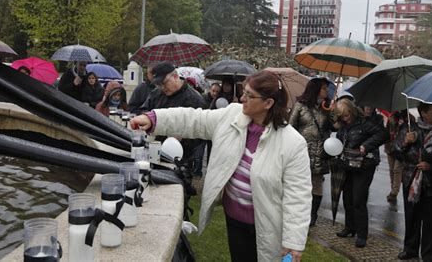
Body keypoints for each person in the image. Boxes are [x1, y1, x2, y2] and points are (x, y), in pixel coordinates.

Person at [130, 70, 312, 261]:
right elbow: (194, 119)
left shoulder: (292, 143)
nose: (242, 98)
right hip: (234, 219)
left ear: (268, 103)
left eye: (249, 95)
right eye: (244, 92)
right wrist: (153, 119)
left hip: (265, 225)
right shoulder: (232, 115)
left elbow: (298, 197)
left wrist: (294, 242)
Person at [333, 99, 388, 248]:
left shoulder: (364, 122)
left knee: (358, 199)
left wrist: (366, 146)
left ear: (352, 110)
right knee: (347, 197)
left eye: (347, 114)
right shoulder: (342, 126)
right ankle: (350, 227)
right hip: (348, 164)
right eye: (343, 116)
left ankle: (362, 235)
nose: (346, 118)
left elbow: (383, 134)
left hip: (364, 165)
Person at [140, 61, 207, 172]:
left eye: (164, 83)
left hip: (182, 158)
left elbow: (202, 133)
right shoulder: (156, 94)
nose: (162, 87)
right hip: (154, 152)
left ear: (175, 76)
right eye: (158, 84)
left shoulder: (195, 100)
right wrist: (145, 119)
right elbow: (144, 109)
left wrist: (183, 138)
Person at [395, 103, 432, 261]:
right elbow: (397, 152)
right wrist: (406, 142)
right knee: (412, 217)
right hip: (411, 180)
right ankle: (410, 249)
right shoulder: (410, 128)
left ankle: (428, 256)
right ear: (423, 113)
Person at [289, 77, 333, 227]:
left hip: (320, 153)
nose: (327, 91)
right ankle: (298, 212)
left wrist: (334, 113)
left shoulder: (327, 108)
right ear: (316, 90)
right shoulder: (300, 106)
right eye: (324, 88)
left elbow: (335, 127)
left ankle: (312, 214)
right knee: (299, 184)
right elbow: (290, 127)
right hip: (302, 152)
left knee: (316, 184)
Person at [384, 110, 412, 203]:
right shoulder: (392, 117)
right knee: (392, 170)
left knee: (397, 169)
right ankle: (393, 190)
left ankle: (394, 192)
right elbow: (388, 131)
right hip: (390, 147)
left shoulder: (409, 118)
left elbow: (412, 130)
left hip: (401, 149)